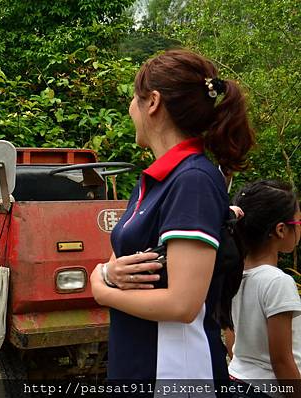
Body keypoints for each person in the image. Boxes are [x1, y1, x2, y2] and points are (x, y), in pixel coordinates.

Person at [89, 49, 255, 386]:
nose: (129, 108)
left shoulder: (192, 181)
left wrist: (100, 288)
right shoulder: (154, 180)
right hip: (138, 365)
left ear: (153, 102)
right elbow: (120, 259)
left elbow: (183, 304)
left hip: (174, 373)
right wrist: (107, 272)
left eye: (134, 99)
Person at [225, 180, 300, 395]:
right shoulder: (278, 282)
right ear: (281, 230)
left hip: (237, 380)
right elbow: (281, 361)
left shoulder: (233, 274)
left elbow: (230, 337)